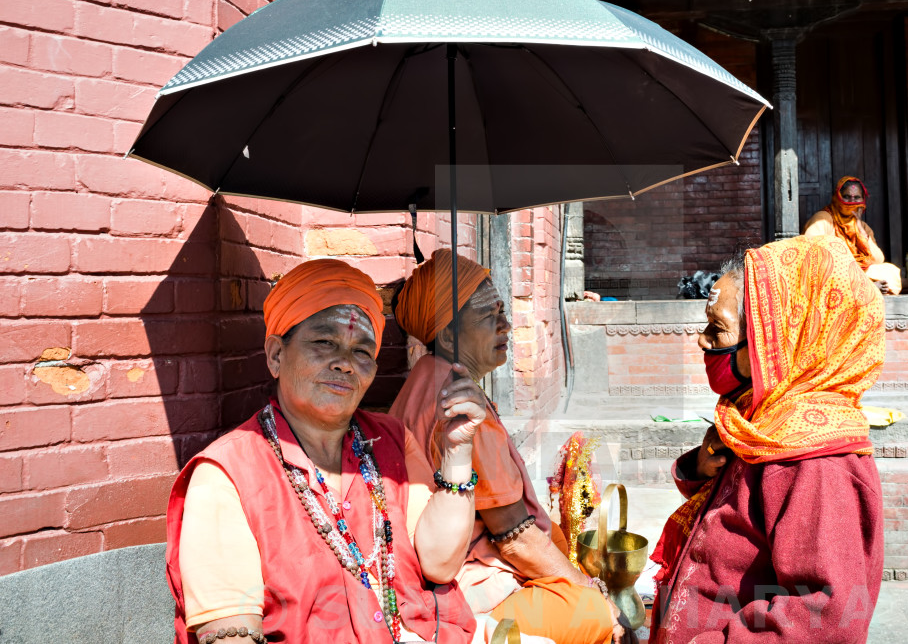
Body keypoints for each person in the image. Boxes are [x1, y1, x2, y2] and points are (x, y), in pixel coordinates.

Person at [166, 258, 488, 643]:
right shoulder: (226, 474)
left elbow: (441, 563)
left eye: (362, 352)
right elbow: (229, 636)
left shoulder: (391, 439)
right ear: (276, 355)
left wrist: (457, 449)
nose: (345, 364)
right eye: (324, 343)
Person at [650, 236, 886, 643]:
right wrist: (702, 468)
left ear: (773, 339)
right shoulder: (764, 420)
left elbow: (824, 619)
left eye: (718, 329)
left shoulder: (816, 462)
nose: (703, 341)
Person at [390, 249, 632, 644]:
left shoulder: (423, 376)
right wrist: (590, 593)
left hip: (448, 574)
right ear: (449, 334)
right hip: (469, 589)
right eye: (490, 316)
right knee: (600, 617)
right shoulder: (458, 406)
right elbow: (514, 535)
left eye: (503, 311)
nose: (505, 325)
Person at [803, 176, 900, 295]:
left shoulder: (863, 227)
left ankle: (864, 285)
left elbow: (878, 260)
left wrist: (859, 228)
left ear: (863, 200)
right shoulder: (823, 217)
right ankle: (865, 287)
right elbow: (810, 248)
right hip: (835, 271)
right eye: (846, 197)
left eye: (856, 197)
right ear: (837, 197)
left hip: (858, 271)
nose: (851, 202)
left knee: (889, 270)